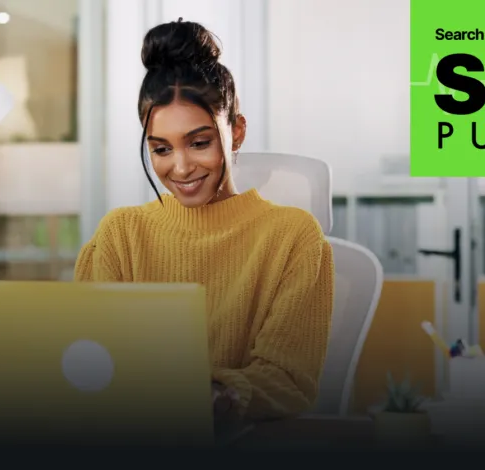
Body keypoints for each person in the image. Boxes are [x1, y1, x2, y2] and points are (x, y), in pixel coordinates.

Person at [74, 19, 335, 422]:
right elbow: (87, 363)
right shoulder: (119, 235)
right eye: (161, 149)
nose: (180, 168)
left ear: (237, 132)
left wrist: (214, 396)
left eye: (199, 143)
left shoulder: (294, 236)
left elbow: (289, 381)